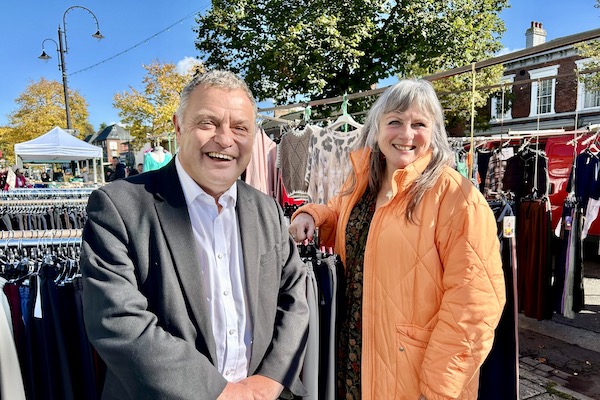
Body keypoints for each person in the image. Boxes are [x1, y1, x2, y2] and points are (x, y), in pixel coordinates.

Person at [80, 70, 309, 400]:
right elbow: (117, 318)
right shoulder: (119, 206)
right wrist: (221, 393)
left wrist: (271, 380)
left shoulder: (267, 209)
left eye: (240, 128)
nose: (225, 139)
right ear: (178, 126)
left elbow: (294, 296)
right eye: (208, 123)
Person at [288, 79, 506, 400]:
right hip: (352, 360)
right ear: (377, 129)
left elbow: (475, 307)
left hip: (411, 377)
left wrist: (439, 390)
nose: (406, 134)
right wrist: (312, 215)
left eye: (419, 124)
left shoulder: (458, 197)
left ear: (434, 132)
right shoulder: (364, 181)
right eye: (395, 122)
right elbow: (342, 214)